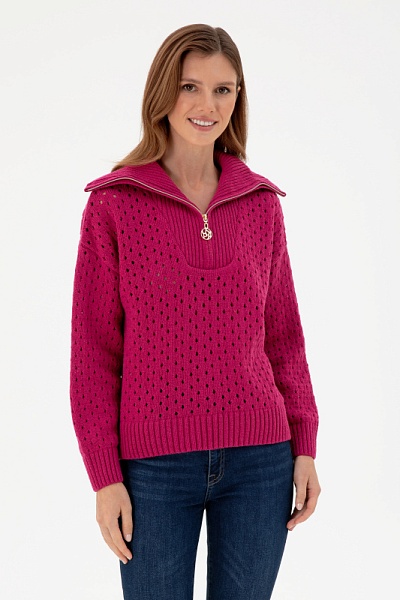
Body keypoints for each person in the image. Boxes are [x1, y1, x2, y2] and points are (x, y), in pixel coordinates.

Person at [70, 23, 321, 600]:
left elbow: (285, 339)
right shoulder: (113, 205)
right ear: (163, 91)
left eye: (223, 90)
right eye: (190, 87)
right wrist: (104, 477)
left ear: (238, 99)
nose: (207, 106)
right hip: (153, 470)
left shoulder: (260, 204)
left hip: (261, 462)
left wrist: (305, 444)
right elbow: (93, 354)